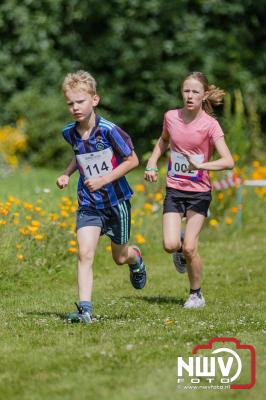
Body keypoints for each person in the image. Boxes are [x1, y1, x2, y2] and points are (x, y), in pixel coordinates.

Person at [56, 70, 146, 324]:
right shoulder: (70, 132)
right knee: (84, 253)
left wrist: (104, 180)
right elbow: (78, 154)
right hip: (88, 204)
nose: (75, 108)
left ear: (94, 99)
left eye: (80, 101)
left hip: (117, 202)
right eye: (70, 103)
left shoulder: (109, 131)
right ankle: (85, 310)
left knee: (119, 257)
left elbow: (133, 160)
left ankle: (135, 259)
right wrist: (66, 174)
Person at [144, 71, 234, 309]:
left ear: (204, 95)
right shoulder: (171, 117)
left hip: (199, 191)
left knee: (191, 248)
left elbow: (228, 161)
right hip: (174, 188)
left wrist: (201, 165)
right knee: (170, 245)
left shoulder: (210, 125)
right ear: (181, 93)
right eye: (186, 91)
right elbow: (163, 140)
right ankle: (180, 244)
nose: (190, 96)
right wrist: (152, 163)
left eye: (195, 92)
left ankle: (196, 295)